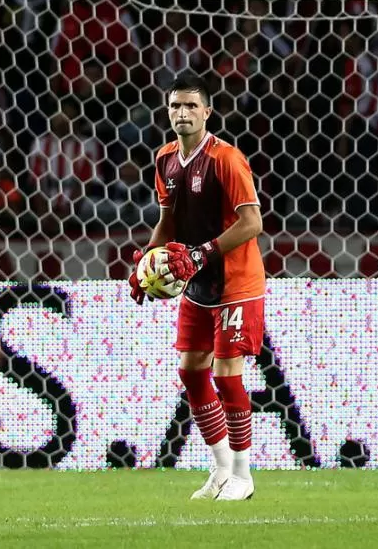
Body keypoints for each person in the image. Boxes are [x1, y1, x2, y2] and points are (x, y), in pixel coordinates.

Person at [128, 73, 265, 501]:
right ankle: (220, 469)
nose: (182, 113)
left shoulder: (227, 158)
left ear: (207, 111)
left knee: (227, 377)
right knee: (190, 372)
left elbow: (252, 222)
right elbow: (168, 221)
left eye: (191, 106)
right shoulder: (165, 158)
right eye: (175, 106)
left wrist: (203, 253)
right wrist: (144, 263)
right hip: (195, 279)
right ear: (167, 112)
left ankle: (243, 475)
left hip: (236, 281)